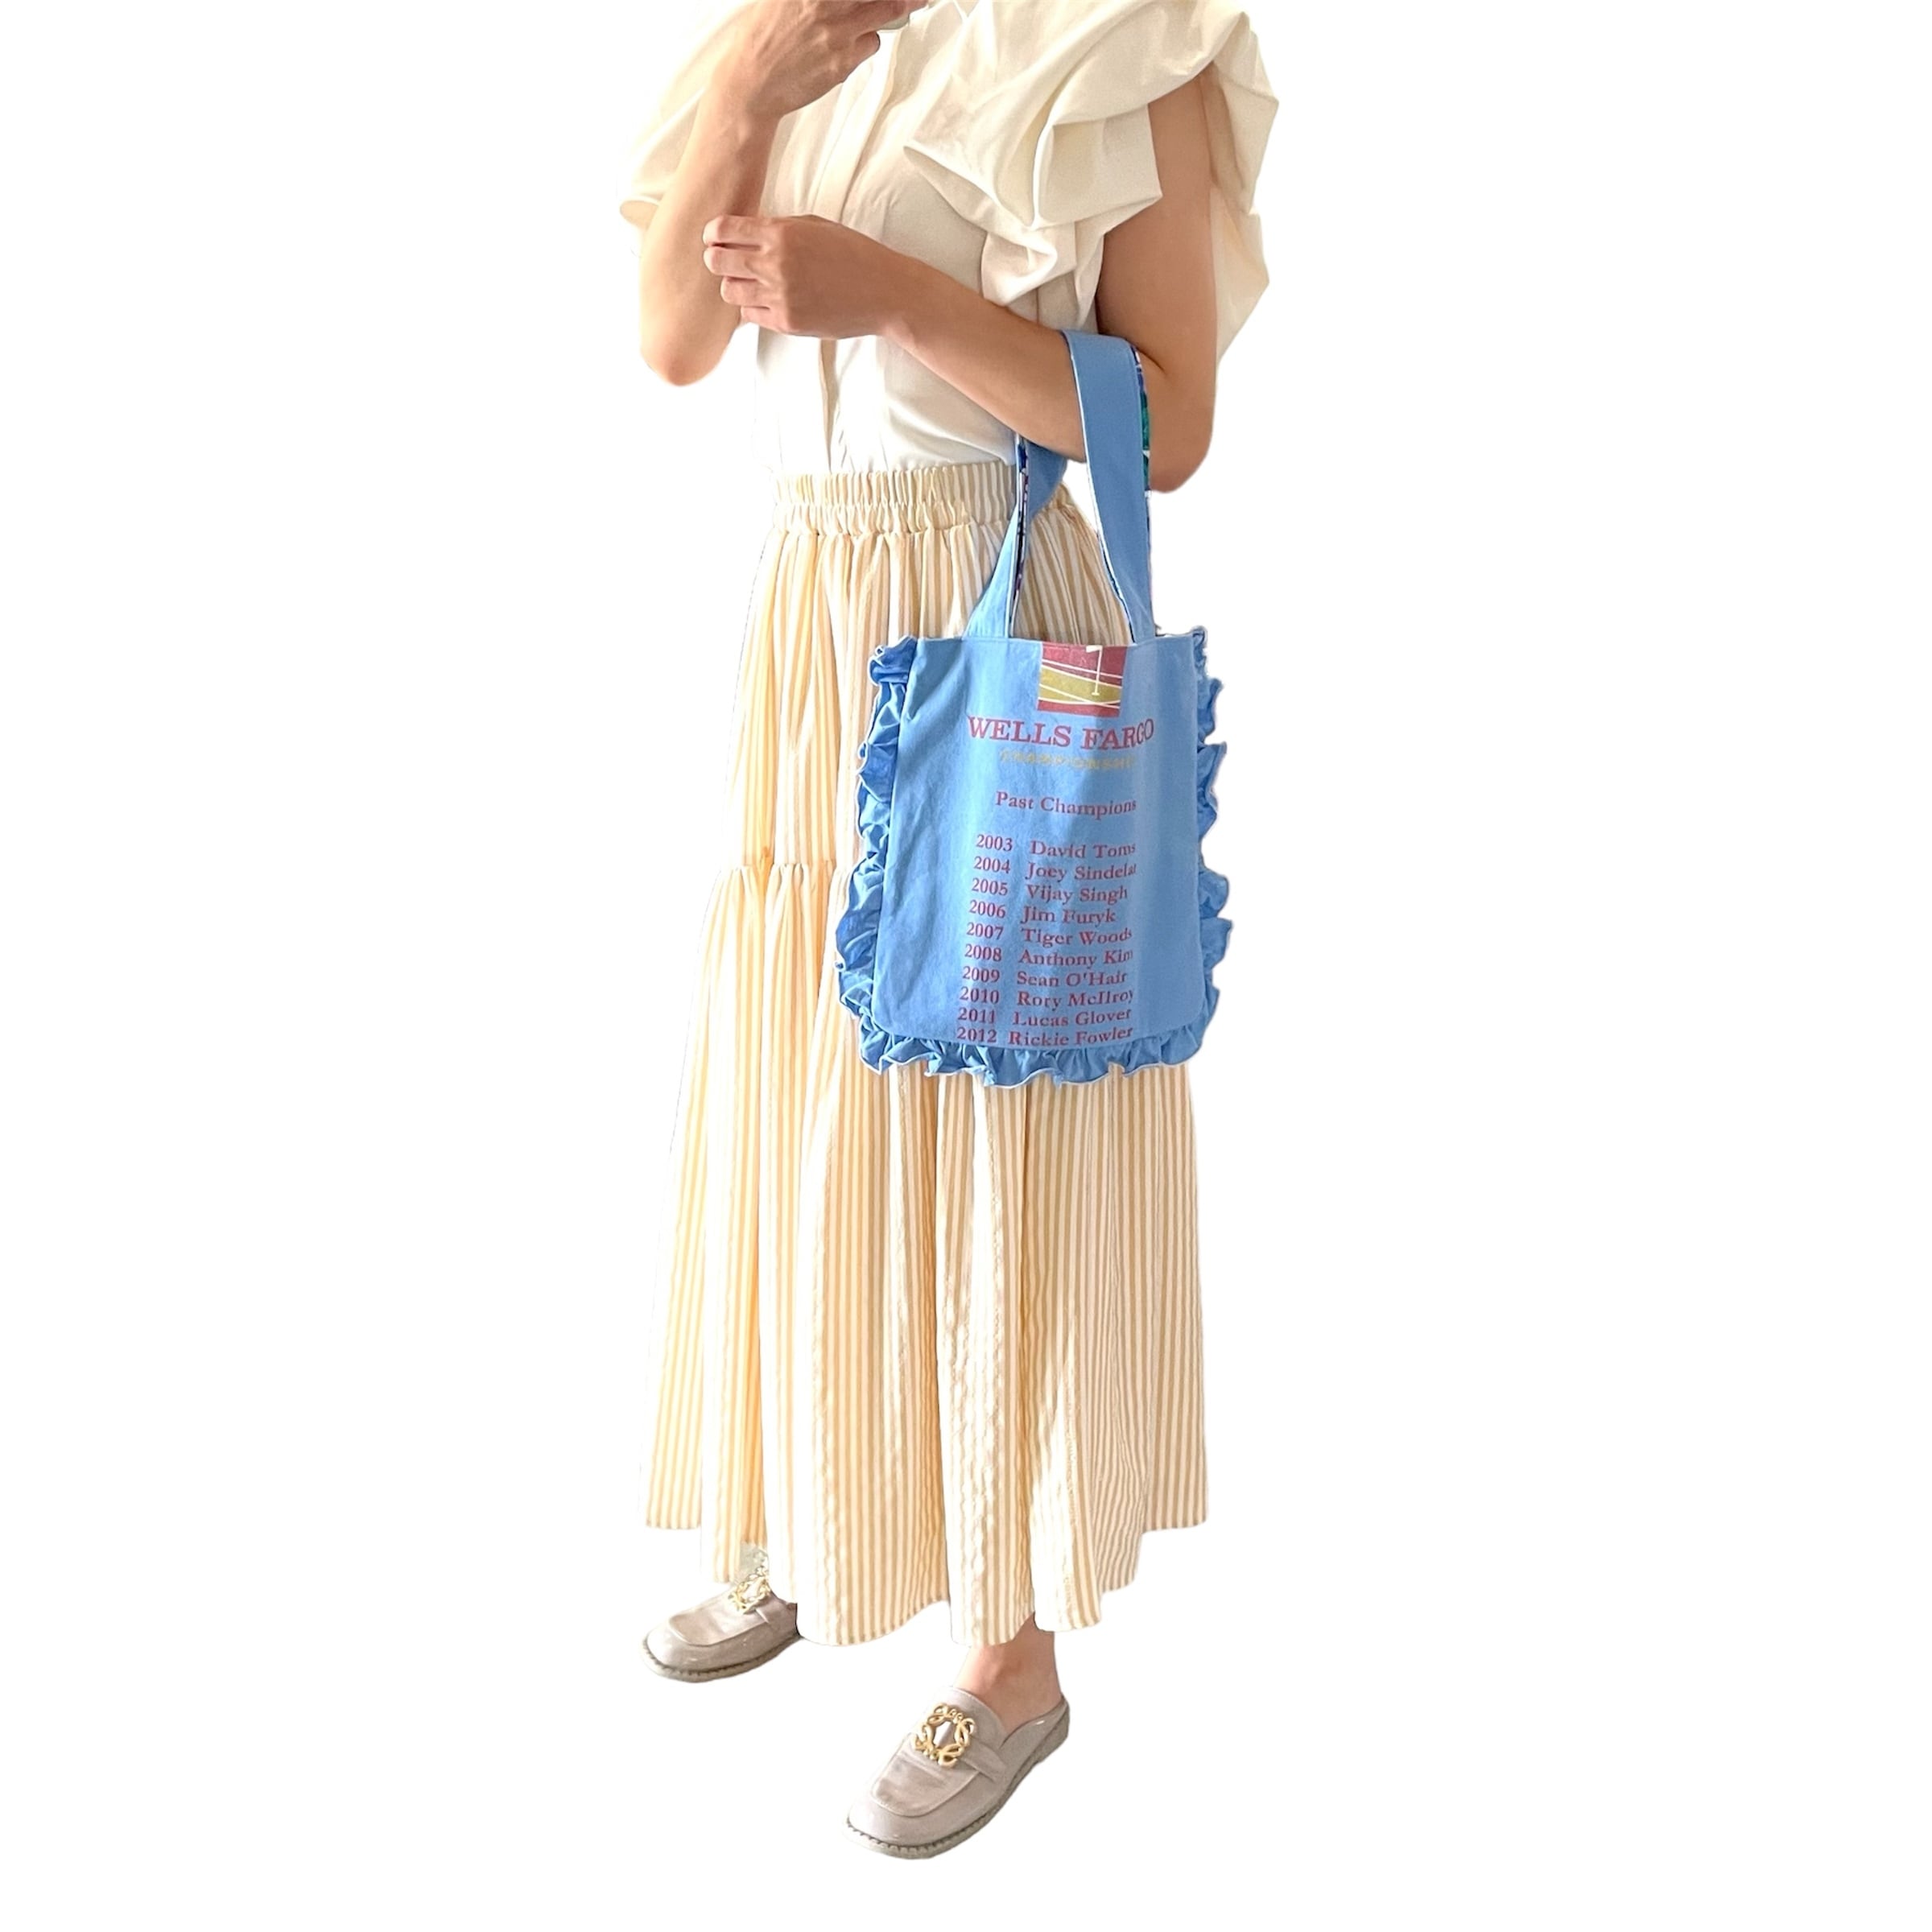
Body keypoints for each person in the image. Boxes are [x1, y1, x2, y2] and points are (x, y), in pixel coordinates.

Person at [614, 0, 1276, 1856]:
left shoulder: (1134, 43)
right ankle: (810, 1506)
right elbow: (672, 340)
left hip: (993, 610)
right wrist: (748, 88)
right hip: (810, 610)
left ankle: (1011, 1652)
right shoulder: (779, 28)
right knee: (808, 1073)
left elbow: (1167, 425)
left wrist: (895, 298)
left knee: (998, 1111)